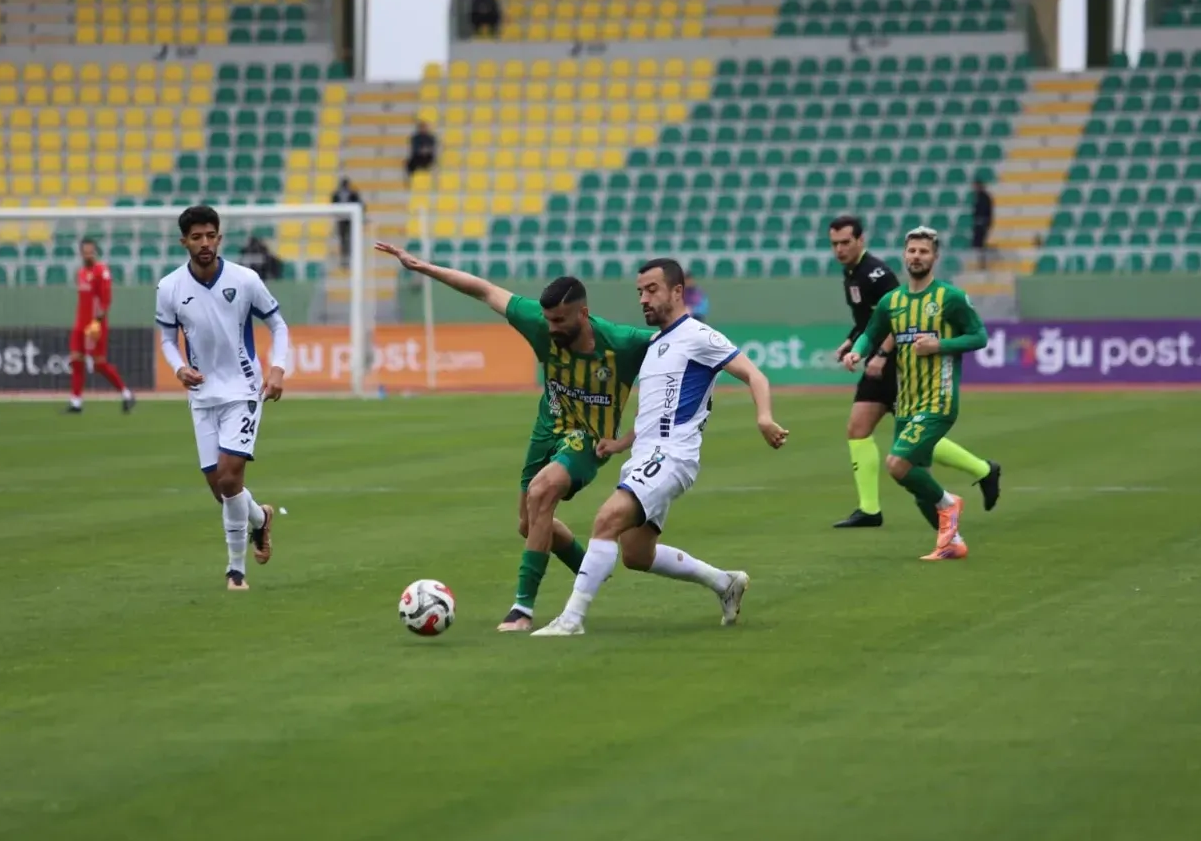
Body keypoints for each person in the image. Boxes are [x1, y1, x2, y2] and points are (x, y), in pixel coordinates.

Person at [374, 240, 655, 632]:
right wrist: (422, 267)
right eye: (548, 320)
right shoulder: (540, 322)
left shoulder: (624, 344)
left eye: (559, 320)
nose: (550, 328)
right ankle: (589, 566)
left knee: (543, 493)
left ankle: (522, 610)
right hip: (547, 430)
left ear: (583, 313)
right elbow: (484, 289)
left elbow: (682, 345)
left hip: (589, 439)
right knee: (529, 525)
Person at [533, 258, 789, 637]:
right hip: (646, 455)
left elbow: (754, 373)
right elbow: (657, 411)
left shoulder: (698, 336)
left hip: (673, 456)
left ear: (676, 291)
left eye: (652, 290)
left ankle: (571, 620)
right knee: (637, 554)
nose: (644, 299)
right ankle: (725, 583)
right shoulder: (655, 344)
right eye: (639, 292)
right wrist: (621, 443)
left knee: (605, 520)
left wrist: (764, 417)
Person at [827, 215, 999, 529]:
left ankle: (957, 494)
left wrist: (889, 353)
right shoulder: (871, 286)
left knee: (903, 456)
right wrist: (855, 347)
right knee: (899, 452)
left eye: (923, 251)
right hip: (896, 377)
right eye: (912, 251)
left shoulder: (887, 278)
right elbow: (875, 322)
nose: (839, 249)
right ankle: (944, 526)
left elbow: (973, 335)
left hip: (919, 380)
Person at [155, 206, 291, 591]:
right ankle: (261, 520)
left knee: (231, 478)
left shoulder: (245, 279)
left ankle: (236, 572)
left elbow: (277, 324)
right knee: (222, 490)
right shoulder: (169, 288)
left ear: (219, 237)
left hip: (244, 390)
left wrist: (277, 368)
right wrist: (179, 368)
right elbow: (166, 339)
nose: (204, 243)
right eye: (196, 237)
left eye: (210, 235)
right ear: (184, 242)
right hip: (202, 396)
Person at [65, 237, 135, 414]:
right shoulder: (80, 273)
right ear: (81, 252)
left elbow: (105, 299)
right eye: (85, 250)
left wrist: (98, 321)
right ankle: (76, 402)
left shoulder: (101, 271)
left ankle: (126, 394)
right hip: (79, 324)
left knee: (99, 364)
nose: (88, 253)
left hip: (95, 325)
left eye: (90, 250)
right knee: (76, 360)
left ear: (95, 251)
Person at [331, 177, 363, 267]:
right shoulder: (337, 194)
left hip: (350, 220)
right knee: (344, 239)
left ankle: (349, 258)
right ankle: (345, 258)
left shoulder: (352, 193)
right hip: (341, 219)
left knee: (348, 239)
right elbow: (333, 204)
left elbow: (359, 203)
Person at [971, 179, 995, 270]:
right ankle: (980, 263)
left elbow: (988, 212)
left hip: (983, 224)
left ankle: (983, 263)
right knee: (978, 245)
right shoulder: (976, 197)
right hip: (978, 224)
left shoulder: (985, 198)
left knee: (981, 244)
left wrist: (986, 223)